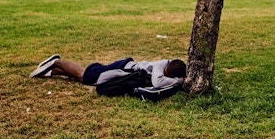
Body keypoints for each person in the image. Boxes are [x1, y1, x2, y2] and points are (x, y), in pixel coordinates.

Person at [29, 54, 186, 88]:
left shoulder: (167, 66)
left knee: (86, 76)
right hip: (120, 68)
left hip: (124, 66)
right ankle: (56, 61)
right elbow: (158, 82)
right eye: (168, 76)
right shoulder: (160, 67)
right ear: (167, 70)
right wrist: (180, 81)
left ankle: (52, 71)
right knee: (85, 76)